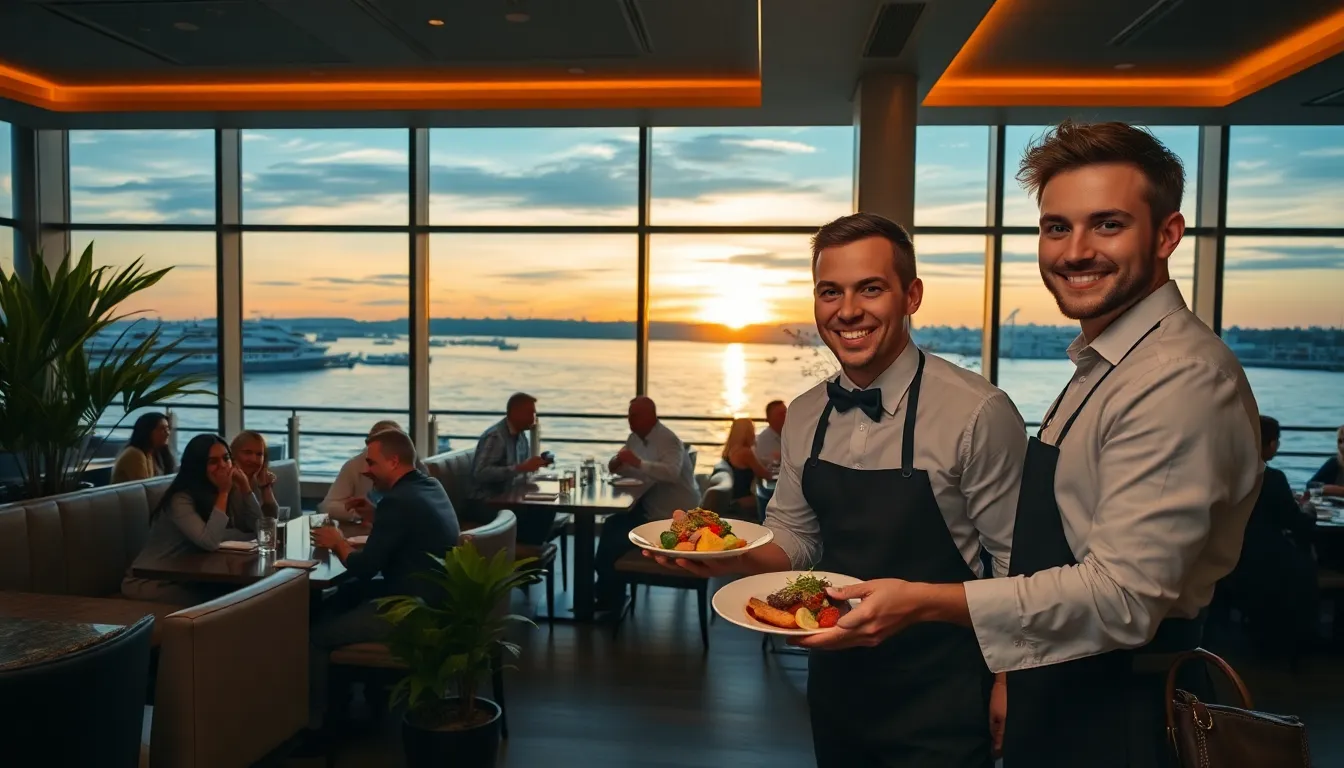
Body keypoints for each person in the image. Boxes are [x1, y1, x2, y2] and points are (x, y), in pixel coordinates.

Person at [787, 122, 1262, 768]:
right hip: (1059, 687)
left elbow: (1123, 599)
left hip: (1119, 708)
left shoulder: (1179, 378)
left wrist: (924, 602)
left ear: (1167, 235)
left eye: (1108, 224)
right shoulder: (1107, 366)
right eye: (1057, 227)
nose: (1076, 251)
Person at [652, 212, 1027, 768]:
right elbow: (796, 538)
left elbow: (1016, 565)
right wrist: (724, 556)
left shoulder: (979, 413)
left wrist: (1010, 682)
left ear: (911, 296)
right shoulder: (805, 414)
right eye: (831, 292)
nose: (847, 310)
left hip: (944, 687)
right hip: (835, 681)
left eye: (870, 289)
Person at [308, 428, 461, 727]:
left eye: (371, 463)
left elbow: (366, 567)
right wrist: (377, 515)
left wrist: (337, 542)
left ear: (393, 462)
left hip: (410, 611)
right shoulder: (430, 485)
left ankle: (318, 723)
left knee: (315, 635)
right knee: (340, 598)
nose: (366, 471)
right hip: (436, 600)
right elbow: (413, 529)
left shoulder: (398, 501)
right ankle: (353, 697)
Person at [121, 434, 262, 605]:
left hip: (187, 579)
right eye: (213, 462)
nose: (223, 466)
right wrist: (224, 493)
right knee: (227, 601)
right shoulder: (180, 499)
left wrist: (246, 487)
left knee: (247, 593)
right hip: (150, 581)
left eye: (226, 458)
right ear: (198, 466)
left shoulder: (215, 492)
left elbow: (260, 529)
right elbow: (210, 541)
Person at [1222, 416, 1318, 657]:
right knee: (1308, 565)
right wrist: (1308, 509)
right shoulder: (1273, 478)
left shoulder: (1227, 475)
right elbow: (1297, 524)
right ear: (1271, 443)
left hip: (1231, 561)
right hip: (1270, 563)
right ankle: (1304, 640)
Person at [595, 396, 700, 611]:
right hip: (649, 506)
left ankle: (609, 599)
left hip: (672, 516)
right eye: (629, 415)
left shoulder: (668, 440)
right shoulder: (634, 438)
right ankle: (608, 594)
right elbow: (624, 465)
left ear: (651, 416)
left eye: (635, 415)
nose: (630, 420)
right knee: (612, 525)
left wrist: (637, 462)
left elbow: (671, 472)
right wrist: (617, 463)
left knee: (612, 538)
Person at [469, 392, 554, 540]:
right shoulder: (496, 436)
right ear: (515, 412)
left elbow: (521, 469)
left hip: (509, 497)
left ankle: (530, 548)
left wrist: (533, 466)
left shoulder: (521, 436)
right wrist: (520, 468)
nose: (533, 418)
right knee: (539, 513)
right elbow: (480, 473)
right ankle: (525, 549)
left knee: (546, 508)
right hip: (485, 502)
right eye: (530, 413)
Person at [319, 419, 423, 520]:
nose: (367, 470)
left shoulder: (415, 477)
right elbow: (326, 506)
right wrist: (360, 513)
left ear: (394, 460)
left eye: (373, 462)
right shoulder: (355, 465)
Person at [229, 430, 283, 523]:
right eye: (247, 453)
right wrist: (245, 488)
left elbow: (271, 521)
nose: (254, 459)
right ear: (233, 455)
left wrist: (266, 488)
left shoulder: (257, 480)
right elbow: (254, 524)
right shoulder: (227, 484)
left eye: (259, 454)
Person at [111, 411, 177, 484]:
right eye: (162, 429)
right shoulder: (134, 454)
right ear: (147, 431)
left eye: (167, 429)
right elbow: (145, 487)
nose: (167, 433)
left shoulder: (153, 453)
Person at [722, 417, 771, 512]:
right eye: (752, 431)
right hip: (743, 500)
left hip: (732, 498)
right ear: (747, 433)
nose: (754, 434)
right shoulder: (745, 453)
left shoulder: (729, 451)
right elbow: (766, 475)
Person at [1307, 425, 1344, 496]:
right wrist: (1325, 487)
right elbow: (1310, 485)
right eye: (1340, 441)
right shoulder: (1335, 462)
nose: (1342, 446)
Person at [755, 400, 787, 469]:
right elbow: (767, 466)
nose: (786, 416)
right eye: (781, 414)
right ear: (770, 418)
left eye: (787, 413)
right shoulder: (763, 440)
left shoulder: (794, 435)